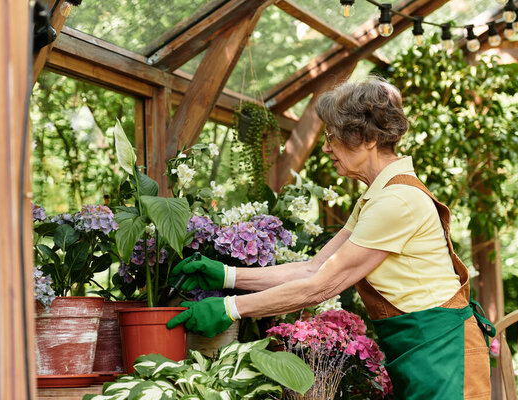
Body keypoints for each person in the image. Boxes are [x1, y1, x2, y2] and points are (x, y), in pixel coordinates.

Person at [167, 77, 495, 399]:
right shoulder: (378, 196)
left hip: (445, 354)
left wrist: (230, 308)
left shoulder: (396, 202)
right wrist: (227, 275)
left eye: (332, 136)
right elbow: (314, 268)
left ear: (366, 138)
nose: (325, 147)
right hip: (425, 350)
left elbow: (321, 287)